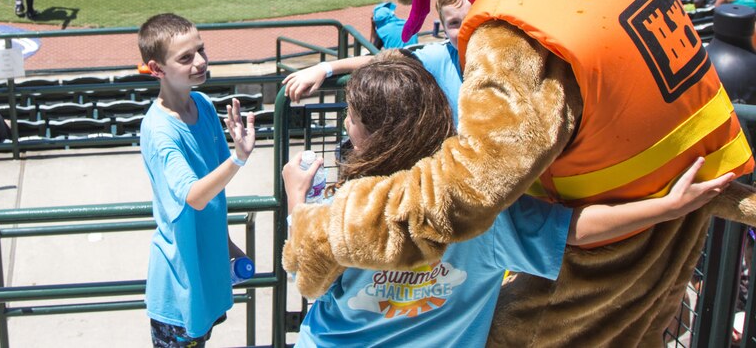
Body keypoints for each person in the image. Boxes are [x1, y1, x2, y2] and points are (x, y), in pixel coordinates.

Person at [282, 52, 735, 347]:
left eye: (351, 116)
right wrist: (667, 207)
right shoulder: (480, 205)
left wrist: (297, 203)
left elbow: (310, 279)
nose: (346, 126)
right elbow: (575, 230)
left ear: (373, 134)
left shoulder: (340, 208)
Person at [137, 13, 256, 347]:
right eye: (186, 58)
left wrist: (228, 247)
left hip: (208, 276)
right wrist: (239, 157)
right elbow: (194, 196)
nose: (201, 62)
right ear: (156, 69)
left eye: (201, 50)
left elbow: (213, 193)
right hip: (179, 290)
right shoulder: (160, 131)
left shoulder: (202, 104)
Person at [284, 0, 469, 116]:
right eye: (454, 23)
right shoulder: (439, 56)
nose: (465, 28)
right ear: (442, 28)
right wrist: (324, 68)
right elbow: (381, 60)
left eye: (471, 17)